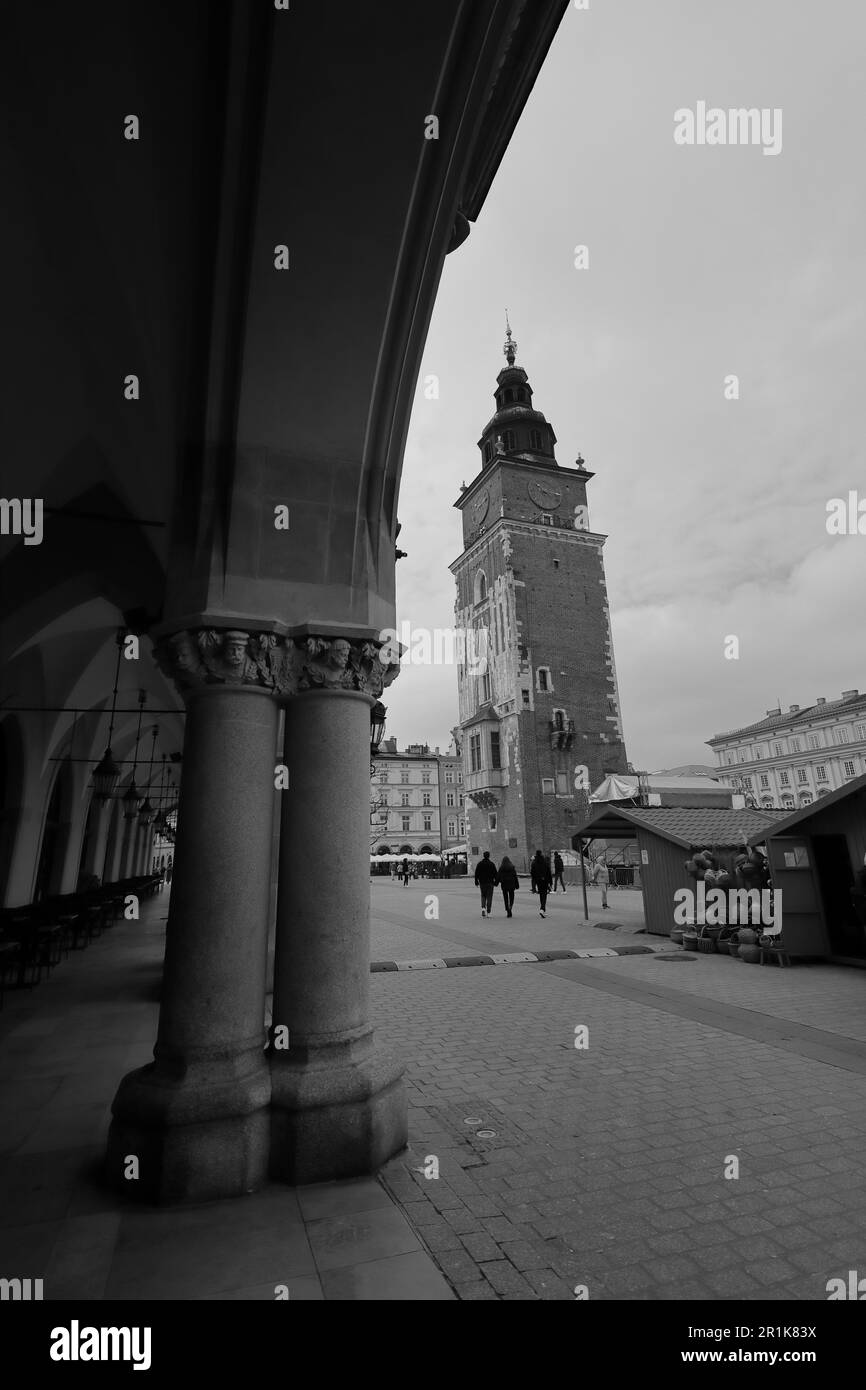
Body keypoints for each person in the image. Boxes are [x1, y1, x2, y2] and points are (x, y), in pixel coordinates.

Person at [474, 850, 498, 917]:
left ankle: (483, 908)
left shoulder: (480, 864)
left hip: (482, 882)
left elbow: (476, 873)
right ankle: (489, 912)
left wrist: (476, 881)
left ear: (483, 856)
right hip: (490, 883)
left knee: (483, 895)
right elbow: (495, 874)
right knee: (489, 897)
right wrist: (496, 882)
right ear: (489, 856)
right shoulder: (492, 864)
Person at [531, 849, 552, 917]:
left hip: (538, 881)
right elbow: (548, 872)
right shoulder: (544, 862)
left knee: (541, 894)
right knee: (544, 894)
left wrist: (535, 879)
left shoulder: (534, 863)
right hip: (545, 880)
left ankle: (543, 910)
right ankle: (542, 909)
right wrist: (550, 881)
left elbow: (532, 873)